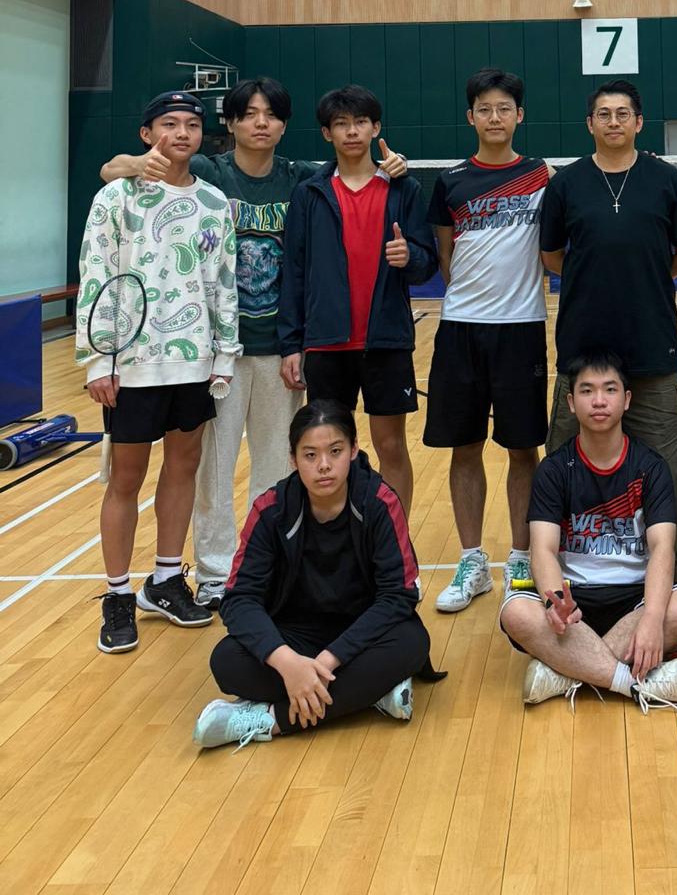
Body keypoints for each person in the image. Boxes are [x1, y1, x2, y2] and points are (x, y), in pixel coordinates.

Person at [99, 75, 409, 607]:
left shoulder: (302, 179)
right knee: (213, 469)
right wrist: (130, 162)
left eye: (271, 114)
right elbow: (113, 169)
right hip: (216, 348)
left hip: (280, 347)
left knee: (277, 465)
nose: (261, 123)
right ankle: (215, 572)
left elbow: (356, 171)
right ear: (232, 123)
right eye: (249, 114)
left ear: (285, 125)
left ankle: (267, 566)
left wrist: (393, 168)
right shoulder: (208, 171)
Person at [77, 90, 240, 654]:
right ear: (147, 134)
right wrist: (98, 358)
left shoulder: (215, 202)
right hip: (132, 364)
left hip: (193, 360)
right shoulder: (115, 196)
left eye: (191, 124)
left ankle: (166, 580)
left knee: (183, 467)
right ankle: (118, 594)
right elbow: (95, 274)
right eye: (169, 124)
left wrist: (223, 354)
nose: (181, 133)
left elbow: (223, 282)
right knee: (126, 479)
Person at [194, 400, 442, 748]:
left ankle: (269, 720)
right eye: (310, 455)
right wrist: (288, 663)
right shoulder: (271, 510)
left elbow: (398, 596)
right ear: (293, 459)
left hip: (363, 633)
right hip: (295, 635)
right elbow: (239, 600)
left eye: (335, 451)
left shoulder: (379, 501)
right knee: (226, 661)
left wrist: (325, 661)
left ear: (353, 449)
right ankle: (370, 694)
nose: (324, 465)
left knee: (411, 644)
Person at [540, 80, 677, 579]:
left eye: (622, 113)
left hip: (653, 352)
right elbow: (551, 254)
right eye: (604, 114)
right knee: (563, 465)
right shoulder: (566, 184)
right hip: (582, 354)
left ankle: (673, 576)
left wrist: (646, 274)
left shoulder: (665, 180)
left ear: (638, 122)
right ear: (590, 124)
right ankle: (563, 573)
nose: (613, 122)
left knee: (669, 470)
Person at [498, 354, 677, 711]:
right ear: (570, 402)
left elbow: (663, 548)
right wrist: (554, 603)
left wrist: (652, 617)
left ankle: (567, 671)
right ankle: (632, 683)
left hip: (634, 601)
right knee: (515, 611)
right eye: (587, 391)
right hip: (575, 603)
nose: (598, 401)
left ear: (626, 400)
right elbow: (543, 550)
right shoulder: (553, 470)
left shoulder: (651, 467)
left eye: (610, 390)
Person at [425, 69, 550, 612]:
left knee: (524, 447)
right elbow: (446, 256)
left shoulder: (543, 176)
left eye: (504, 108)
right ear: (470, 117)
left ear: (519, 115)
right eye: (484, 108)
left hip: (521, 329)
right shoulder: (450, 181)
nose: (494, 117)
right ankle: (473, 560)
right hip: (461, 329)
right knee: (465, 445)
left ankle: (521, 559)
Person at [278, 85, 437, 515]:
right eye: (341, 124)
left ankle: (395, 541)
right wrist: (291, 344)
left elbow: (426, 263)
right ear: (327, 133)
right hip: (327, 344)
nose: (352, 131)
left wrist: (409, 257)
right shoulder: (309, 194)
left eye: (360, 122)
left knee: (391, 445)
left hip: (386, 340)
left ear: (375, 128)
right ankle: (337, 537)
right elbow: (294, 272)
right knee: (329, 448)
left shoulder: (403, 189)